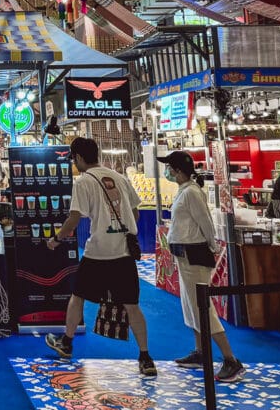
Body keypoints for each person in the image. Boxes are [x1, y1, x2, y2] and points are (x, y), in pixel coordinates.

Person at [45, 137, 157, 376]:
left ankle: (66, 342)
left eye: (74, 159)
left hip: (97, 252)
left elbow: (74, 219)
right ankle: (146, 357)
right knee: (132, 305)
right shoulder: (120, 177)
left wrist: (56, 239)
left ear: (79, 158)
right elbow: (135, 214)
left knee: (77, 296)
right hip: (124, 253)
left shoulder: (83, 182)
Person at [158, 151, 245, 382]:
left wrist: (213, 246)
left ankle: (230, 360)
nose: (166, 171)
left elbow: (205, 222)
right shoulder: (184, 191)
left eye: (169, 167)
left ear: (177, 170)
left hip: (194, 254)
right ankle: (201, 352)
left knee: (201, 307)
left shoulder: (192, 193)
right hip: (184, 255)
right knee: (190, 306)